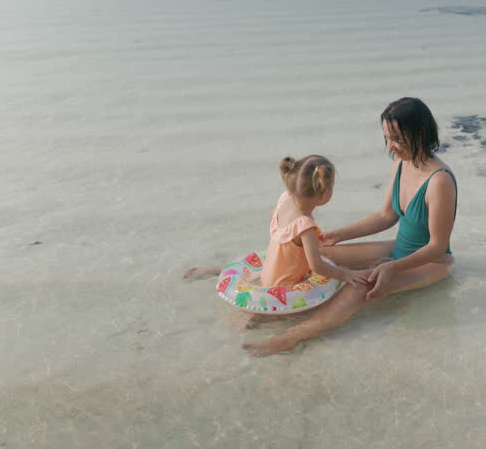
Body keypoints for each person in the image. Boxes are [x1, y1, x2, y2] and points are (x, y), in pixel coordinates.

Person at [243, 97, 457, 357]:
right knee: (317, 253)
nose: (391, 147)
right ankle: (253, 287)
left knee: (359, 285)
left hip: (430, 263)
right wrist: (339, 234)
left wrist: (390, 266)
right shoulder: (401, 163)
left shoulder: (440, 182)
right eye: (387, 138)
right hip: (398, 248)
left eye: (397, 139)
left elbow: (436, 247)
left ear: (420, 133)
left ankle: (290, 337)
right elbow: (386, 215)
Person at [183, 155, 369, 326]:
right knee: (301, 311)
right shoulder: (305, 226)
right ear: (325, 193)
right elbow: (318, 267)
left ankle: (215, 271)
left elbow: (276, 222)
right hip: (282, 288)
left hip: (267, 274)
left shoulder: (285, 199)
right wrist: (345, 275)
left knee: (258, 272)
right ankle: (256, 317)